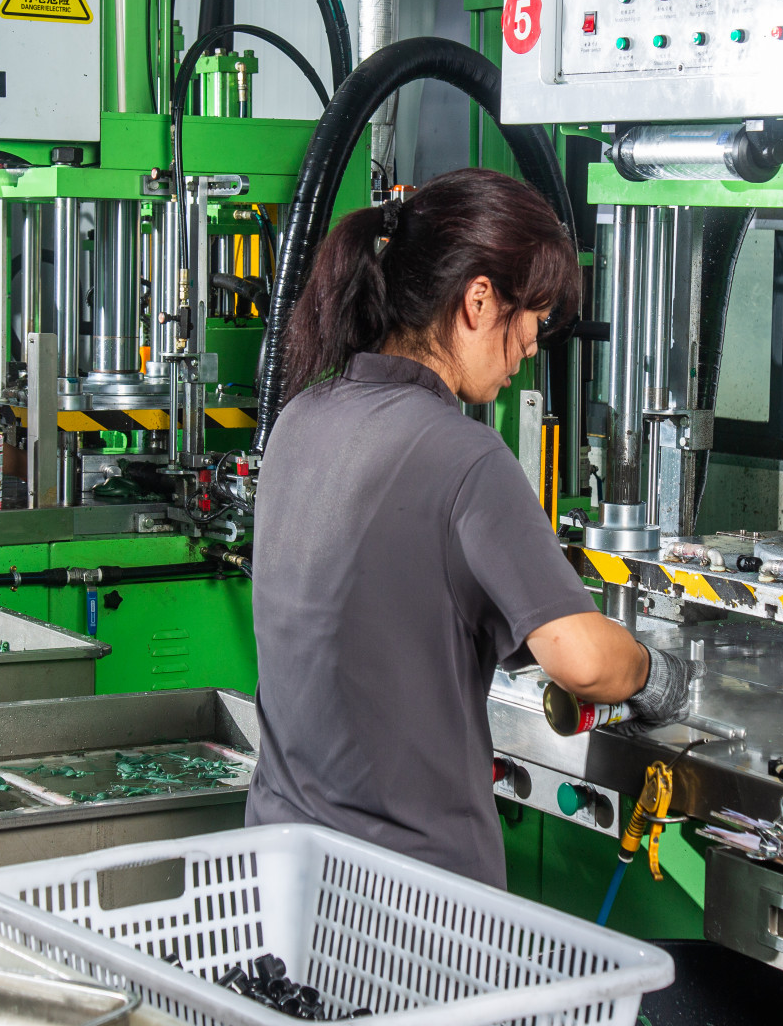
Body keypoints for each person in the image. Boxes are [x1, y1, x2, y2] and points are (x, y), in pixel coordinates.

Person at [247, 167, 690, 887]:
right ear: (479, 299)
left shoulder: (300, 418)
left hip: (282, 876)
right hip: (417, 907)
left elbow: (395, 610)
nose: (531, 347)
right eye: (532, 318)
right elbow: (584, 662)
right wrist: (655, 673)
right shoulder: (464, 455)